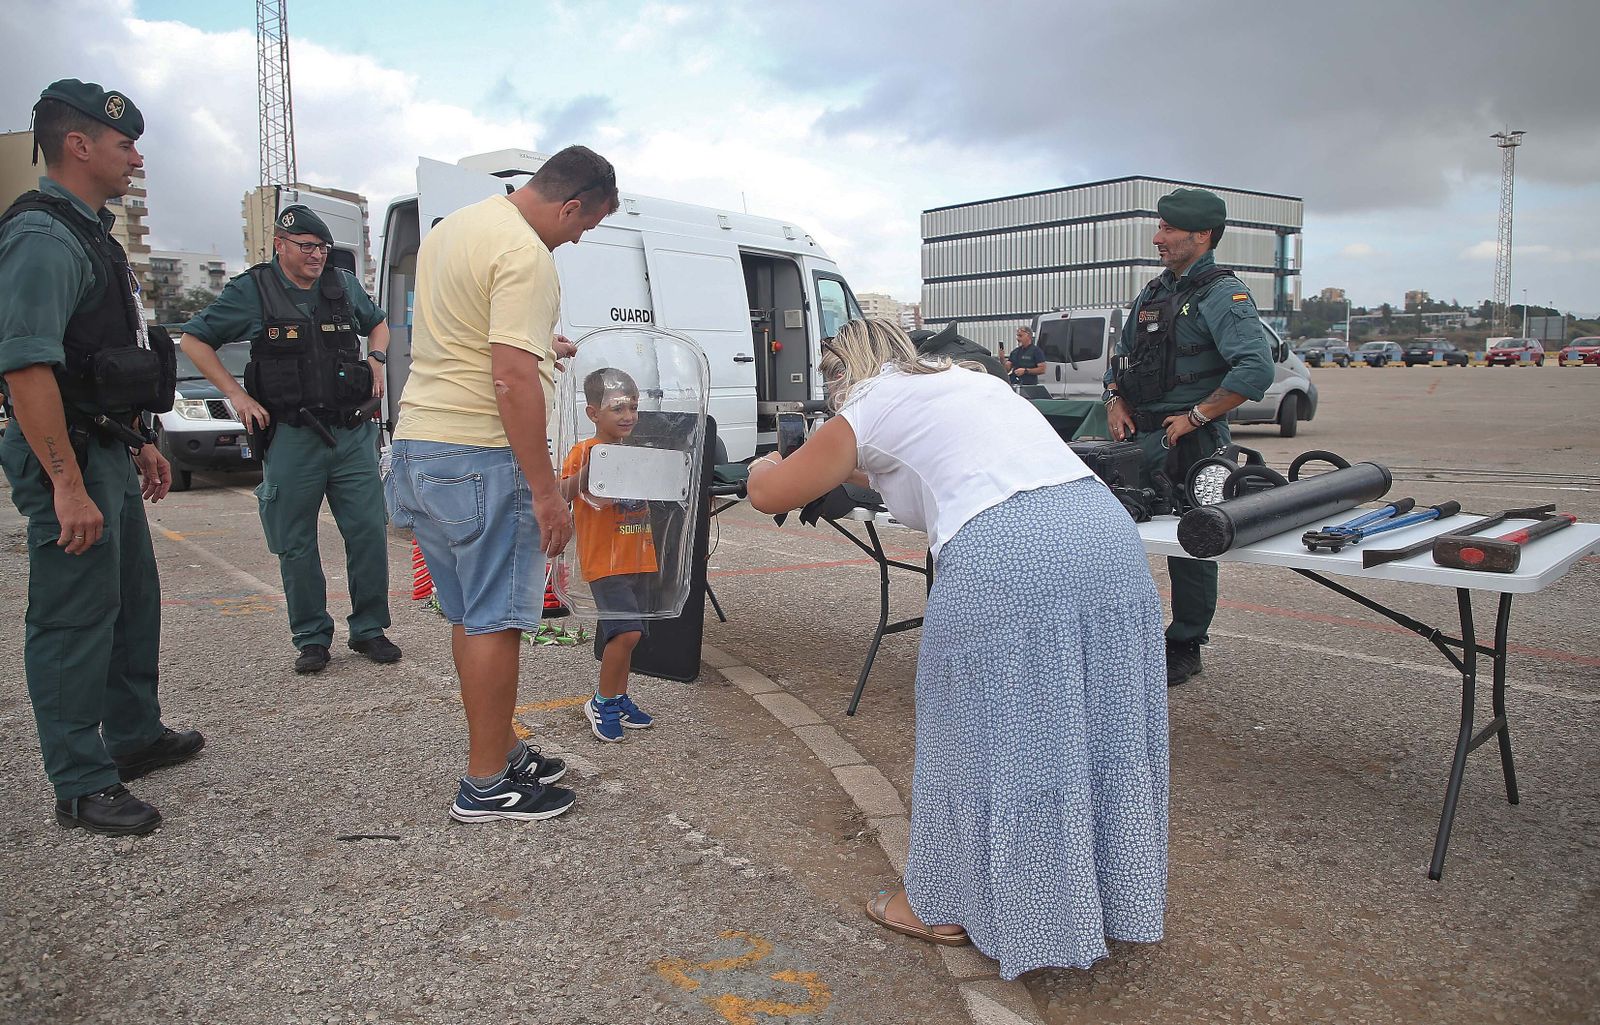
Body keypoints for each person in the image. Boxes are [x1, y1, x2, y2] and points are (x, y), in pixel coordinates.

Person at [747, 318, 1169, 981]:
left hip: (1009, 551)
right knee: (1100, 726)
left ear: (843, 372)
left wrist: (764, 465)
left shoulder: (867, 403)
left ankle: (938, 904)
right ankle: (1109, 895)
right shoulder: (967, 382)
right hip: (1104, 532)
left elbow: (772, 491)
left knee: (968, 734)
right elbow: (898, 463)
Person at [385, 145, 619, 823]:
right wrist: (547, 491)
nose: (578, 239)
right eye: (585, 226)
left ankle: (499, 744)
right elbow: (510, 378)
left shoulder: (456, 228)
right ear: (571, 204)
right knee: (497, 620)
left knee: (467, 613)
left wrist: (544, 346)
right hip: (481, 453)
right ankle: (486, 783)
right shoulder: (527, 255)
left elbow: (470, 336)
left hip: (422, 441)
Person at [0, 79, 203, 836]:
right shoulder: (43, 238)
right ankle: (80, 781)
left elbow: (102, 361)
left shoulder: (91, 235)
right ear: (78, 145)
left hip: (106, 447)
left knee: (131, 604)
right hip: (70, 459)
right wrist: (64, 483)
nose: (138, 156)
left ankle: (133, 734)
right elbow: (27, 370)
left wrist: (143, 439)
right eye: (125, 144)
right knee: (73, 616)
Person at [178, 205, 400, 675]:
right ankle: (312, 637)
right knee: (295, 541)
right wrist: (236, 395)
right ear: (280, 245)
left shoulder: (343, 286)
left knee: (366, 533)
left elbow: (378, 322)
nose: (316, 256)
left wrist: (377, 360)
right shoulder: (253, 290)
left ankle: (369, 629)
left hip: (351, 433)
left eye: (321, 247)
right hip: (293, 437)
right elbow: (194, 341)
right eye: (306, 247)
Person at [1101, 187, 1275, 687]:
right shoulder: (1153, 293)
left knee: (1193, 538)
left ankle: (1185, 641)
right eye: (1160, 228)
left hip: (1195, 439)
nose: (1158, 239)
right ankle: (1128, 632)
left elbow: (1254, 369)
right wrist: (1115, 400)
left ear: (1202, 236)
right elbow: (1122, 357)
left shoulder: (1224, 295)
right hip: (1143, 436)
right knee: (1121, 532)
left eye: (1168, 230)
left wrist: (1197, 417)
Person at [560, 368, 658, 743]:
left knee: (629, 636)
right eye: (618, 408)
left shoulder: (634, 453)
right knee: (627, 632)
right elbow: (561, 493)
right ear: (592, 413)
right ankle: (602, 701)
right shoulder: (584, 451)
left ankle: (618, 696)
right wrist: (588, 473)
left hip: (639, 557)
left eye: (633, 407)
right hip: (608, 560)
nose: (628, 415)